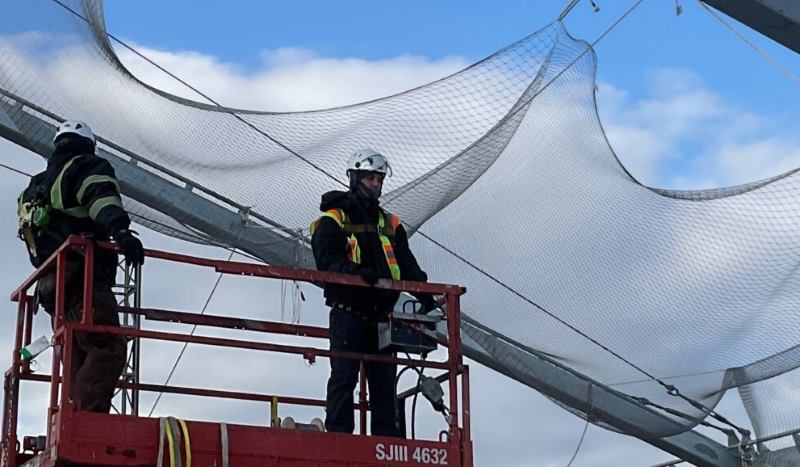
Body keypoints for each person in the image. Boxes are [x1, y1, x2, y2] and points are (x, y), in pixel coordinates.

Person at [17, 120, 144, 413]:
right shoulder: (86, 166)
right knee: (106, 348)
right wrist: (121, 233)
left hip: (51, 286)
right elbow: (101, 199)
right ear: (89, 144)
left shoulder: (35, 186)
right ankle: (86, 422)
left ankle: (70, 418)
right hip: (84, 276)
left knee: (75, 353)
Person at [311, 148, 435, 437]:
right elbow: (326, 259)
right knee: (344, 378)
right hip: (348, 312)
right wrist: (356, 273)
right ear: (354, 178)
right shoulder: (334, 218)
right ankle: (340, 440)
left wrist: (425, 294)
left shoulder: (389, 223)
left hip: (382, 316)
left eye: (378, 179)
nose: (375, 184)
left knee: (384, 382)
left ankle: (385, 445)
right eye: (369, 178)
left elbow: (407, 264)